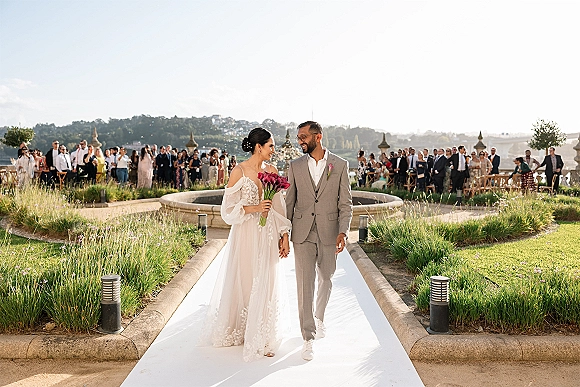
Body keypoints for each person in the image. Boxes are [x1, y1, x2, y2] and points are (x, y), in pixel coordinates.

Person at [201, 128, 291, 362]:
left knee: (267, 277)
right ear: (258, 147)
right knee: (245, 277)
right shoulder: (238, 171)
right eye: (271, 146)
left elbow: (280, 207)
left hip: (268, 233)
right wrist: (255, 209)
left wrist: (284, 234)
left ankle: (263, 333)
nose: (274, 150)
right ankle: (241, 328)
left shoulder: (272, 171)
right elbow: (228, 211)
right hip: (246, 232)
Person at [286, 121, 353, 361]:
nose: (300, 141)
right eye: (299, 137)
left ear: (318, 136)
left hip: (329, 231)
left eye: (303, 136)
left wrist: (343, 232)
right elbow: (289, 202)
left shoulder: (340, 165)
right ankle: (308, 337)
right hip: (302, 233)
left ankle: (320, 317)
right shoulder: (294, 166)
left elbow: (345, 202)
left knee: (326, 277)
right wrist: (285, 231)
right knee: (305, 284)